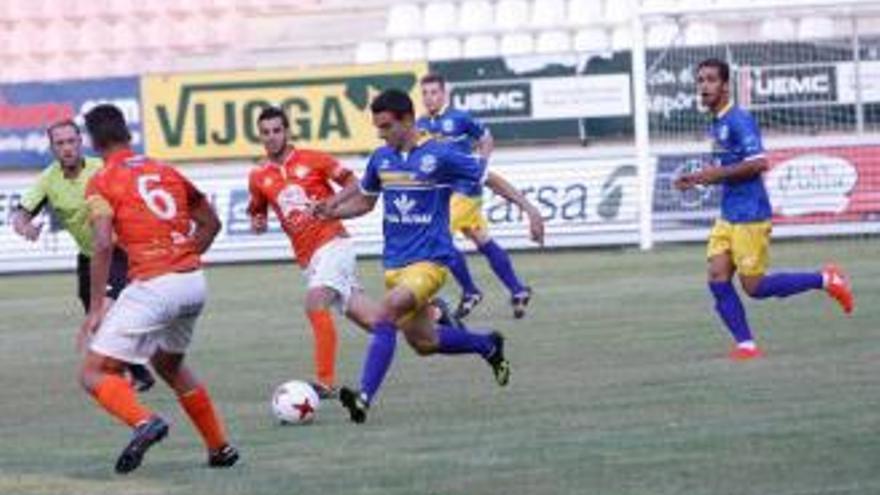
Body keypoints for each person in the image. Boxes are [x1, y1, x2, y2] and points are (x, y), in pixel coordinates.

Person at [314, 89, 512, 424]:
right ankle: (488, 346)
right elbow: (365, 202)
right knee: (425, 342)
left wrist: (531, 210)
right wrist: (332, 213)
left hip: (431, 262)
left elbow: (488, 177)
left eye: (386, 126)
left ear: (407, 120)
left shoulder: (440, 155)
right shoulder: (381, 159)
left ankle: (363, 398)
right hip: (395, 265)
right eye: (377, 127)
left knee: (386, 313)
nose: (381, 133)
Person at [78, 104, 238, 473]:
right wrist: (182, 259)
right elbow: (211, 224)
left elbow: (102, 244)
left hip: (155, 283)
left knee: (93, 373)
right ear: (128, 135)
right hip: (193, 282)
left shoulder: (101, 181)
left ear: (93, 142)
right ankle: (219, 447)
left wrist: (97, 306)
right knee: (168, 363)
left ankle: (144, 422)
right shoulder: (164, 169)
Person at [674, 58, 854, 360]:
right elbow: (725, 167)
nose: (703, 87)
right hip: (729, 214)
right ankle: (746, 345)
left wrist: (716, 174)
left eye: (710, 80)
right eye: (700, 80)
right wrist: (696, 179)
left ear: (725, 86)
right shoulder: (717, 122)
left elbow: (759, 163)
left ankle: (826, 279)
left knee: (754, 287)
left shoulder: (739, 120)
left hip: (750, 214)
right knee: (717, 276)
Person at [248, 106, 382, 398]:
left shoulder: (313, 159)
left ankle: (325, 382)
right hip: (309, 258)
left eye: (276, 130)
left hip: (334, 242)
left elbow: (353, 183)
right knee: (375, 323)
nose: (271, 137)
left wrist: (332, 203)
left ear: (287, 132)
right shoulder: (259, 176)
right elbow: (257, 211)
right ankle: (434, 317)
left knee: (314, 303)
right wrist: (257, 222)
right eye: (265, 132)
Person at [11, 119, 154, 392]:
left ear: (81, 142)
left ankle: (118, 372)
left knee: (105, 312)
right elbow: (20, 214)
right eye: (60, 143)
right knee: (95, 314)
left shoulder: (102, 168)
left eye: (71, 141)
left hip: (119, 251)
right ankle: (138, 369)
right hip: (89, 257)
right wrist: (25, 227)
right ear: (52, 148)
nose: (67, 148)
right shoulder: (48, 179)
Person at [417, 73, 543, 319]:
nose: (429, 98)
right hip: (444, 193)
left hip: (465, 188)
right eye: (425, 93)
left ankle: (470, 291)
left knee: (438, 236)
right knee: (481, 239)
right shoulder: (421, 124)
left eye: (434, 92)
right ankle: (517, 289)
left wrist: (482, 164)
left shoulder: (459, 118)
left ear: (444, 94)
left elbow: (485, 137)